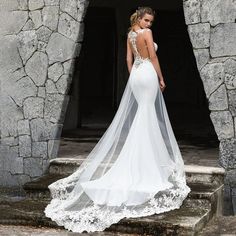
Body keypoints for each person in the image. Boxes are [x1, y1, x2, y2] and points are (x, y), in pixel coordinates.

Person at [44, 6, 190, 233]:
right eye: (147, 20)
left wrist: (133, 77)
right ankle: (146, 161)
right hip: (148, 75)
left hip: (137, 77)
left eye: (151, 22)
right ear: (140, 18)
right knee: (147, 113)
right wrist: (161, 77)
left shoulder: (131, 34)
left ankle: (142, 156)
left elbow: (128, 59)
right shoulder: (146, 35)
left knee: (143, 114)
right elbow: (152, 57)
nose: (149, 25)